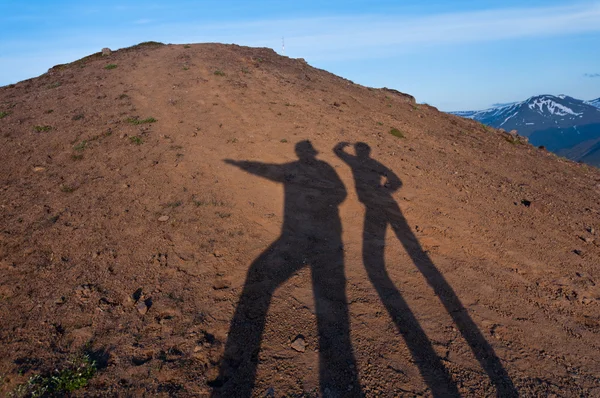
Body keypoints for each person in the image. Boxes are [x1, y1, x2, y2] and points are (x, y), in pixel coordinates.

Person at [213, 141, 361, 397]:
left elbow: (341, 193)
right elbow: (267, 169)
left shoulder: (322, 167)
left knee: (326, 289)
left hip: (321, 233)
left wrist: (320, 200)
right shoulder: (299, 167)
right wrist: (241, 165)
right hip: (305, 235)